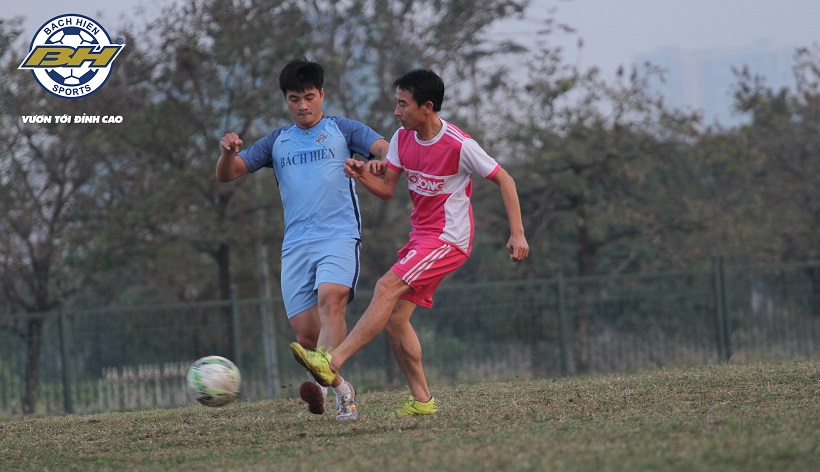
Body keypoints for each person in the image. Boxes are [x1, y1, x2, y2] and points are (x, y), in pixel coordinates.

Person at [290, 68, 529, 418]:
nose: (396, 111)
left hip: (448, 239)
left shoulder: (459, 145)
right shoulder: (402, 139)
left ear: (427, 107)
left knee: (385, 287)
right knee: (396, 318)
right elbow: (387, 189)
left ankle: (332, 361)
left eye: (403, 104)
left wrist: (517, 233)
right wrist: (361, 174)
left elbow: (505, 179)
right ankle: (422, 400)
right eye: (396, 103)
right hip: (422, 239)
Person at [216, 58, 389, 421]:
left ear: (322, 94)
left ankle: (326, 392)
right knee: (307, 338)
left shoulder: (343, 129)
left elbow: (385, 148)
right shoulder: (276, 141)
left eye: (309, 97)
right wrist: (227, 154)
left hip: (339, 236)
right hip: (295, 245)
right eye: (294, 99)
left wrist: (378, 162)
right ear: (286, 100)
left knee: (332, 301)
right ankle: (342, 389)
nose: (303, 105)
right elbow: (228, 175)